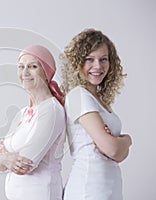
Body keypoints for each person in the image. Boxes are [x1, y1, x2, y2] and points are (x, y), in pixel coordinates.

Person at [61, 28, 132, 200]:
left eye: (103, 59)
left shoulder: (96, 99)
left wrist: (118, 145)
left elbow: (117, 153)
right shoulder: (78, 95)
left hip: (107, 188)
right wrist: (127, 140)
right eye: (89, 59)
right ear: (76, 62)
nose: (98, 66)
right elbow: (113, 151)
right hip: (88, 189)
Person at [0, 45, 66, 200]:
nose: (25, 72)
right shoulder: (23, 113)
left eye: (33, 66)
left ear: (46, 73)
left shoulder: (52, 110)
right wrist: (4, 158)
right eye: (21, 67)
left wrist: (4, 155)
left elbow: (26, 165)